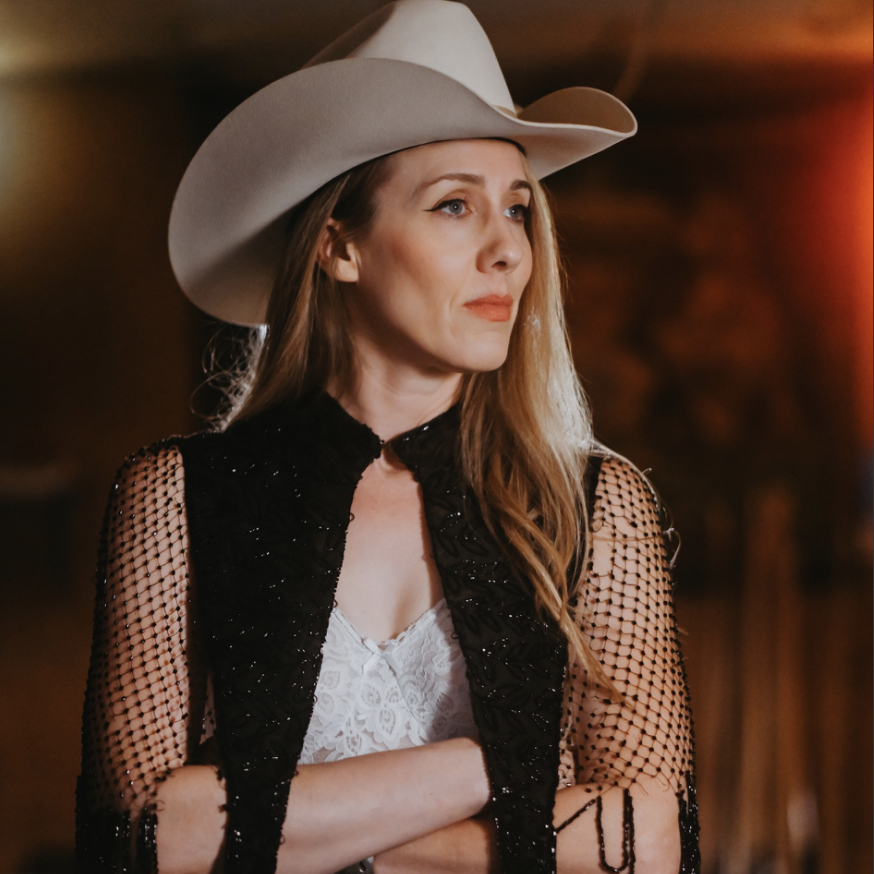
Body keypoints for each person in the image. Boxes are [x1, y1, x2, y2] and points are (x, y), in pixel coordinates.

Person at [76, 2, 699, 873]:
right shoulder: (179, 495)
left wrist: (300, 838)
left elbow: (649, 841)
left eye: (518, 210)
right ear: (340, 247)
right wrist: (498, 766)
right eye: (455, 206)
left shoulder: (594, 505)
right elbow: (140, 837)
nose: (507, 251)